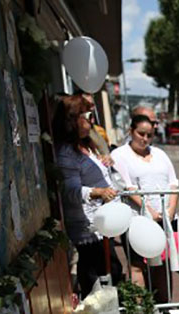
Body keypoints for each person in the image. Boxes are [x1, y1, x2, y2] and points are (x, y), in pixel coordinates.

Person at [53, 94, 121, 296]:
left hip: (101, 222)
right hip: (87, 225)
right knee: (97, 273)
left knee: (112, 270)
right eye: (87, 116)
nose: (92, 121)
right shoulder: (66, 152)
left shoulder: (86, 145)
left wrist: (105, 161)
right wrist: (98, 192)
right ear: (72, 120)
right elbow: (70, 190)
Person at [111, 114, 179, 302]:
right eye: (141, 134)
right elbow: (126, 186)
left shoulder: (160, 154)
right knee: (137, 264)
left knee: (162, 264)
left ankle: (164, 306)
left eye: (149, 135)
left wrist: (170, 210)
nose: (145, 139)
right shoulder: (120, 155)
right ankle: (140, 310)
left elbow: (173, 183)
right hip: (136, 219)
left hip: (164, 217)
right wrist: (149, 210)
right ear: (131, 131)